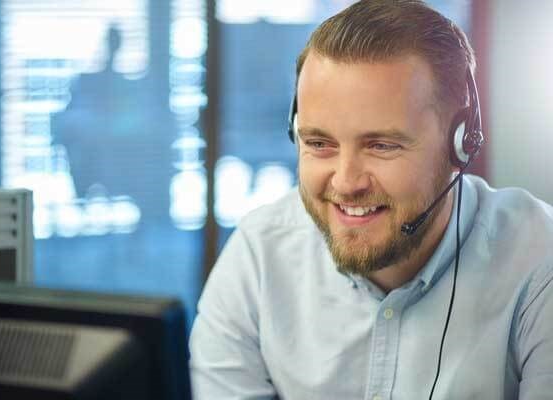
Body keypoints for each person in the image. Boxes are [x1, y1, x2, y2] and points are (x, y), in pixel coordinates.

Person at [189, 1, 553, 399]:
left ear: (460, 145)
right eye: (319, 143)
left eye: (381, 145)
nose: (346, 183)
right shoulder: (258, 258)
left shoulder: (538, 262)